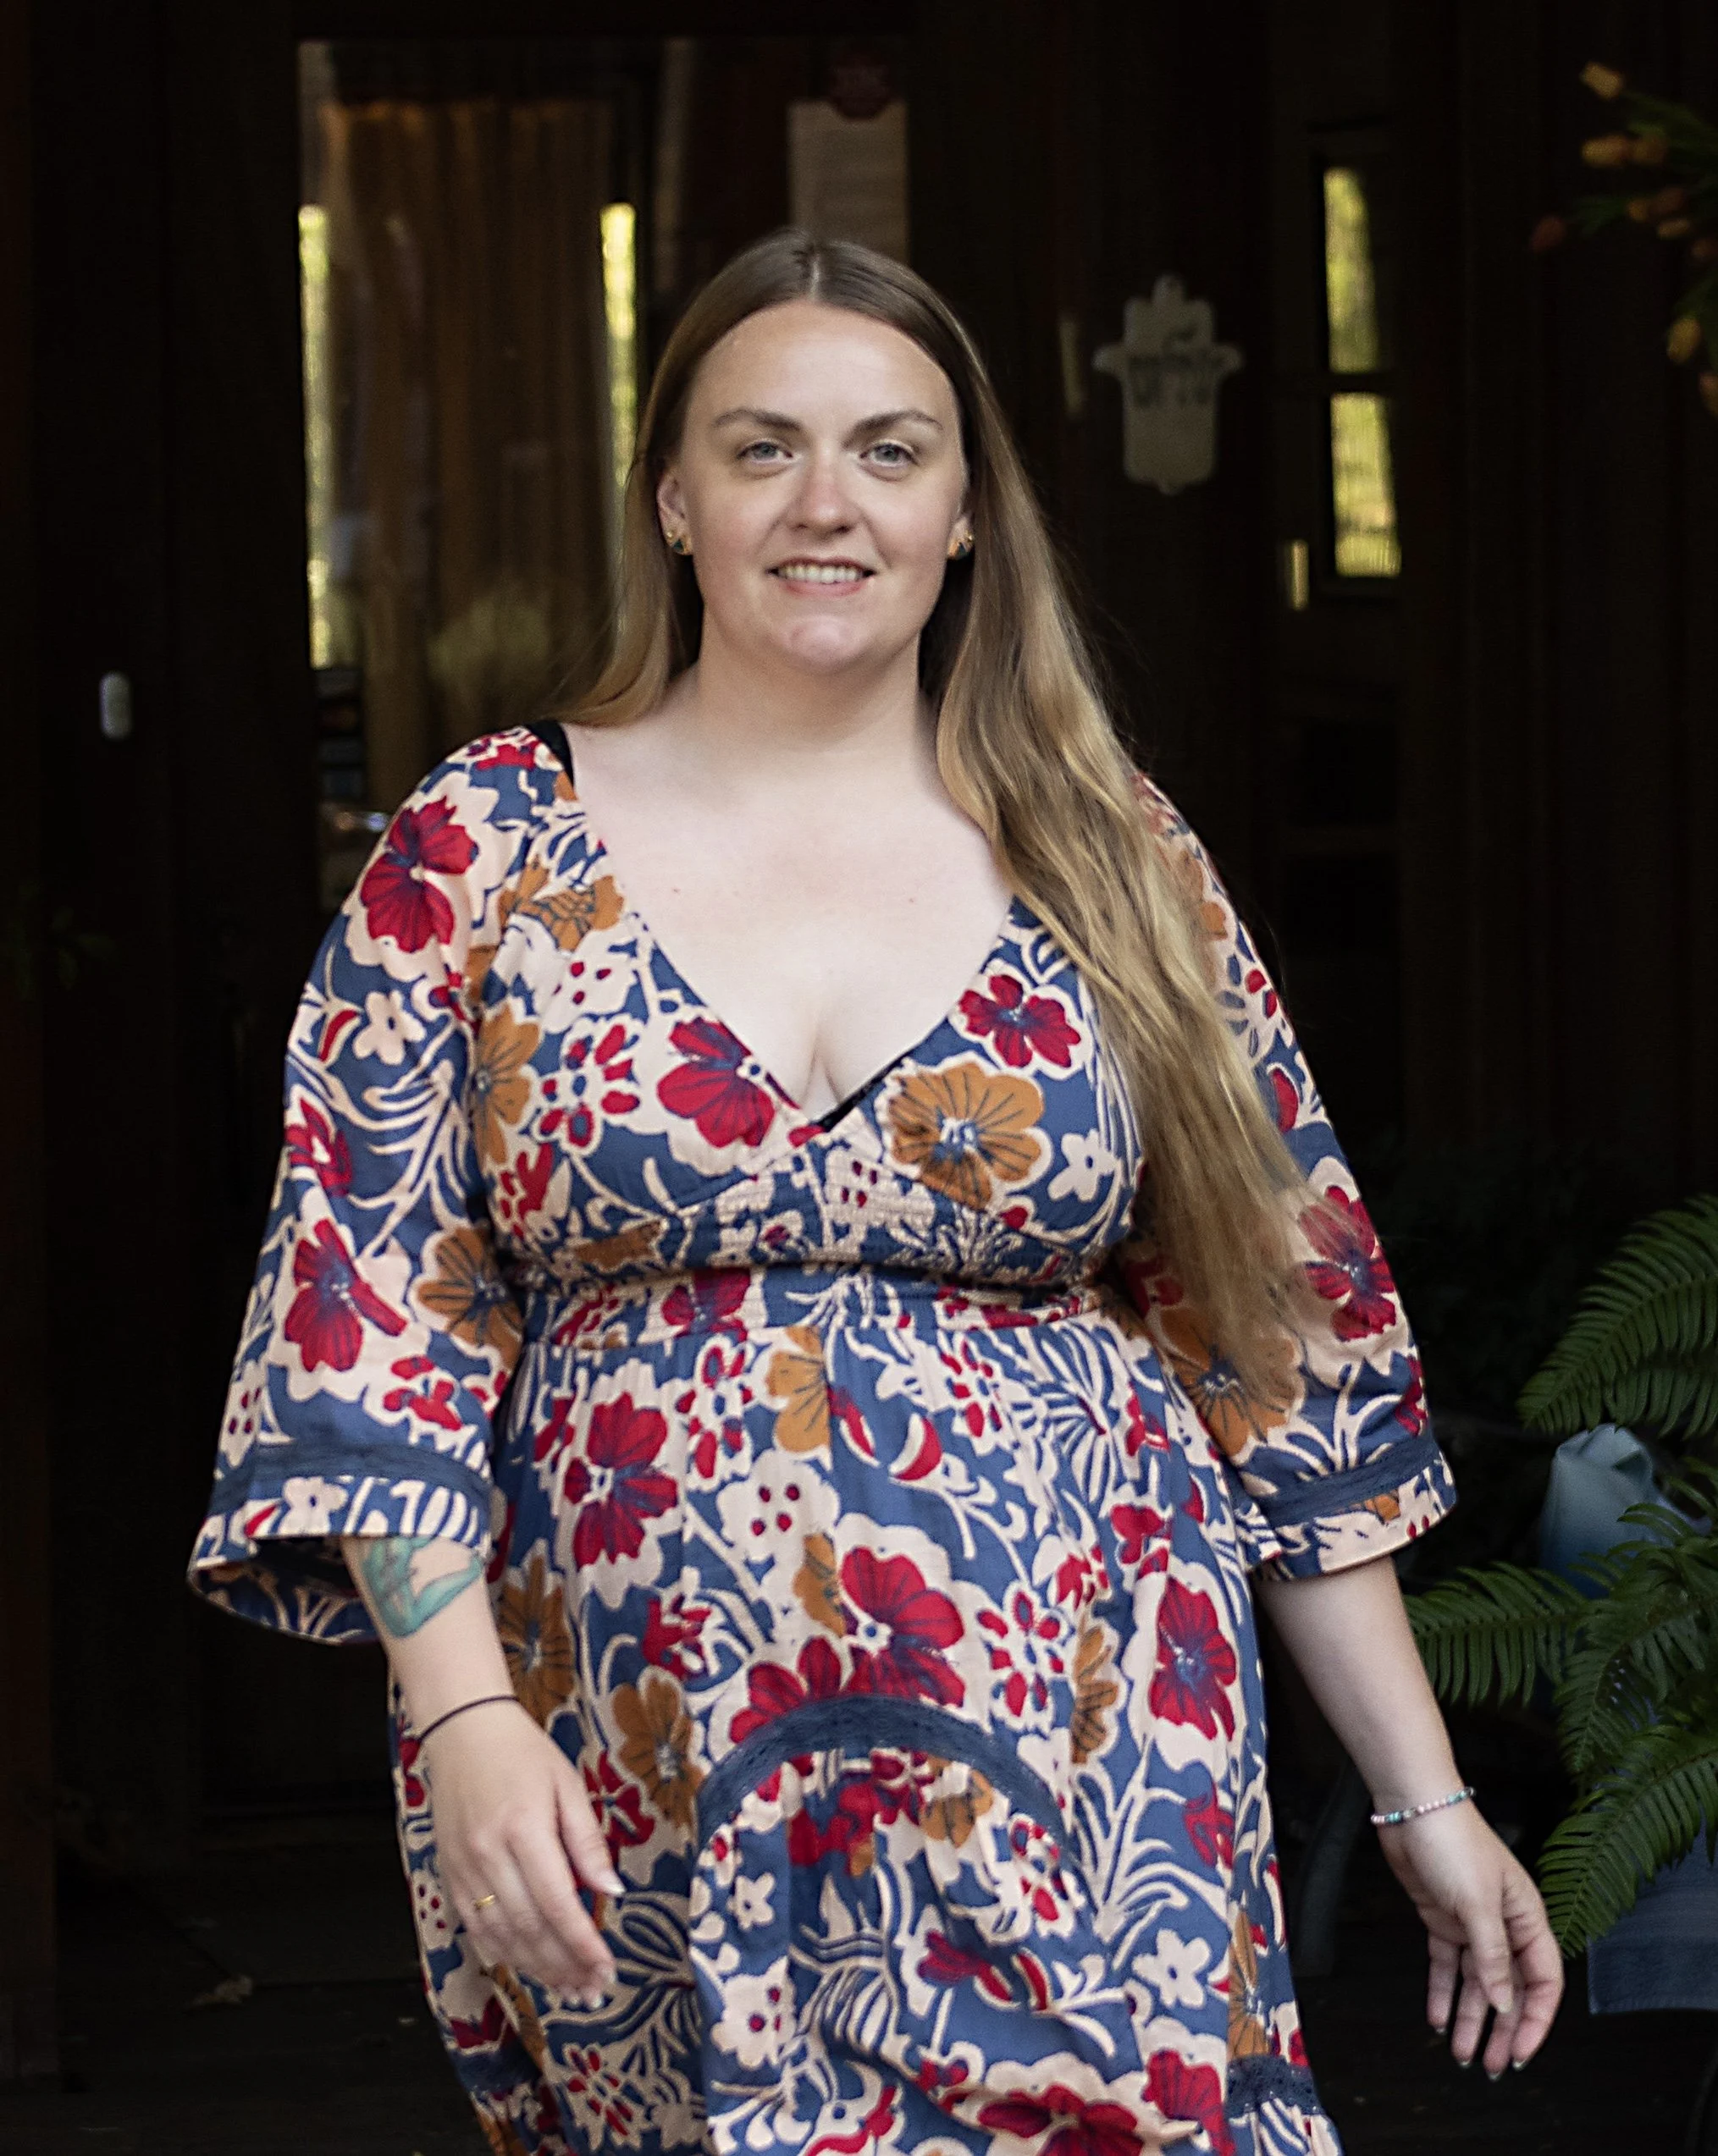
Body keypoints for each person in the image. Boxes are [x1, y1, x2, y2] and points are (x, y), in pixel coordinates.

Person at [190, 229, 1561, 2156]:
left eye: (890, 451)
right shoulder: (481, 843)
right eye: (764, 450)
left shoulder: (1109, 855)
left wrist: (1426, 1802)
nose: (826, 504)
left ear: (968, 511)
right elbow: (371, 1318)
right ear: (674, 499)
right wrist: (464, 1714)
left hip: (1096, 1760)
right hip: (638, 1756)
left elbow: (1281, 1347)